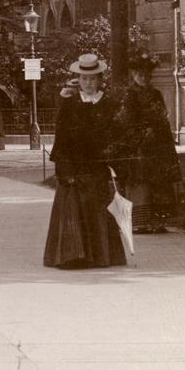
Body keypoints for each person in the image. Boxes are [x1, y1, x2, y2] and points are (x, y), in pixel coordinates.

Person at [44, 54, 127, 269]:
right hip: (74, 166)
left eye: (92, 79)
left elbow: (117, 135)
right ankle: (73, 256)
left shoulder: (109, 104)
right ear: (78, 80)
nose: (88, 83)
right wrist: (63, 167)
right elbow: (61, 135)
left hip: (97, 166)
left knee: (98, 207)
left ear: (100, 80)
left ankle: (100, 255)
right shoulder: (70, 104)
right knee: (73, 209)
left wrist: (112, 160)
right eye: (83, 78)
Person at [114, 54, 182, 234]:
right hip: (138, 145)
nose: (143, 78)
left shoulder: (156, 94)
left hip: (157, 144)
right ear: (134, 75)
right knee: (140, 182)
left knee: (159, 181)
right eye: (140, 75)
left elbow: (163, 116)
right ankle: (140, 222)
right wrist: (142, 133)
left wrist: (160, 133)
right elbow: (126, 120)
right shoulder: (129, 95)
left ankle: (158, 221)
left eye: (146, 75)